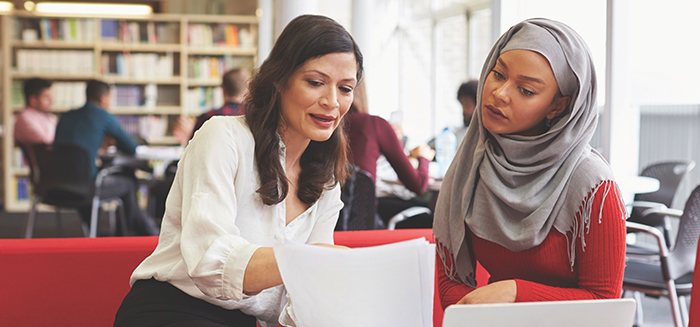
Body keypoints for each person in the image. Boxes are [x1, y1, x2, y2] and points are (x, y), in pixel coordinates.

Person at [114, 14, 362, 327]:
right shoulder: (223, 136)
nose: (332, 102)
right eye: (315, 82)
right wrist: (310, 262)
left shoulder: (326, 183)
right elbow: (209, 259)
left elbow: (305, 297)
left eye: (345, 88)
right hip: (172, 309)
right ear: (279, 80)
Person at [433, 18, 627, 309]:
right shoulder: (473, 165)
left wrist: (514, 293)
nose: (499, 93)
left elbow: (604, 300)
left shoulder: (593, 186)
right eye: (498, 74)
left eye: (526, 90)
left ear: (558, 106)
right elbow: (450, 281)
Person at [54, 80, 160, 236]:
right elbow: (131, 147)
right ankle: (133, 233)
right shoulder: (102, 116)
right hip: (86, 186)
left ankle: (99, 232)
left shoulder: (66, 116)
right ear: (104, 99)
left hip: (56, 185)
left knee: (96, 175)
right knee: (128, 183)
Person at [344, 90, 435, 228]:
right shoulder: (374, 124)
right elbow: (419, 184)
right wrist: (424, 158)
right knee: (427, 211)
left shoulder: (323, 127)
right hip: (365, 226)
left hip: (330, 223)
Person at [14, 78, 57, 158]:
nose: (51, 101)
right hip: (47, 164)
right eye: (46, 97)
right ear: (33, 100)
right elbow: (48, 143)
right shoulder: (25, 119)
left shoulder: (45, 116)